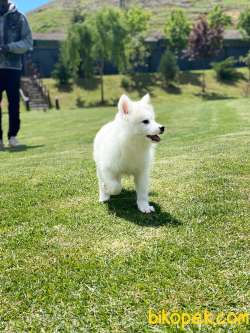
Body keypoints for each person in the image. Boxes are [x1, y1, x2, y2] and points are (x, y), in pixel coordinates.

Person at [0, 0, 33, 149]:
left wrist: (10, 47)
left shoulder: (19, 17)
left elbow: (27, 42)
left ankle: (13, 136)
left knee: (14, 103)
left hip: (13, 68)